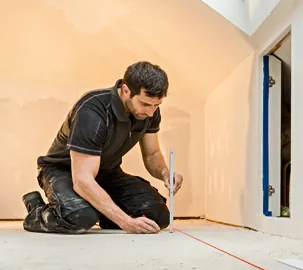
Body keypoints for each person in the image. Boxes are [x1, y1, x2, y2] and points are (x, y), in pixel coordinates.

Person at [22, 61, 183, 234]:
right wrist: (125, 221)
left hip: (106, 172)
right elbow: (82, 180)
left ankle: (99, 209)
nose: (151, 112)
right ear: (126, 90)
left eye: (156, 106)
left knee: (156, 215)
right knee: (80, 216)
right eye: (145, 104)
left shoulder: (149, 111)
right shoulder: (92, 111)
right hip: (64, 171)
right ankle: (37, 210)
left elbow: (152, 154)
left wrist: (164, 172)